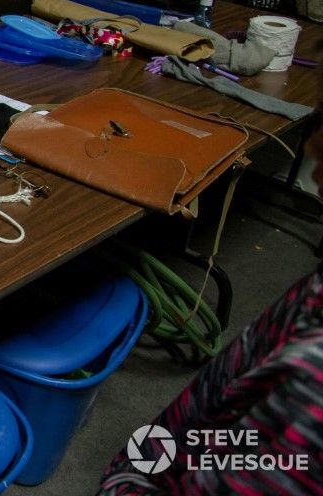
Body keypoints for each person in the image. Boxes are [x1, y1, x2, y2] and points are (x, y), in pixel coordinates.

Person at [97, 46, 323, 494]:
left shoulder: (313, 388)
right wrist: (143, 459)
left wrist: (124, 482)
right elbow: (217, 401)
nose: (312, 146)